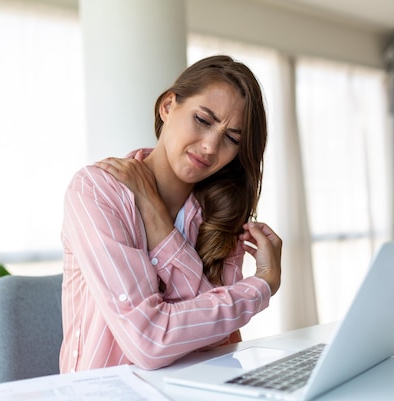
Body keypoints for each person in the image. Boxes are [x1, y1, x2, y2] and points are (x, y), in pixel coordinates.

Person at [60, 55, 282, 372]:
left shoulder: (222, 216)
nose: (210, 146)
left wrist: (158, 221)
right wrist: (262, 285)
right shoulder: (97, 190)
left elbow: (219, 341)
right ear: (168, 106)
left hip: (198, 395)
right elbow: (149, 341)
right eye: (203, 120)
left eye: (232, 138)